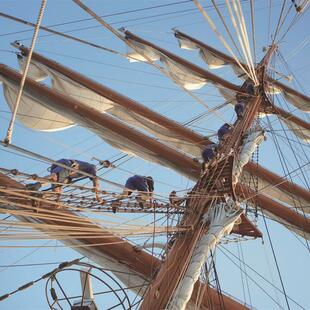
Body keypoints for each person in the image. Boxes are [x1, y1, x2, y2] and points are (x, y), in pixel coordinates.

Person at [26, 159, 101, 202]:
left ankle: (39, 196)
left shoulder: (75, 176)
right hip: (68, 165)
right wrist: (97, 195)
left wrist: (58, 199)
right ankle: (35, 186)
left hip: (62, 167)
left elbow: (62, 184)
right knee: (54, 177)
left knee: (56, 192)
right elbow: (96, 179)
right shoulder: (91, 168)